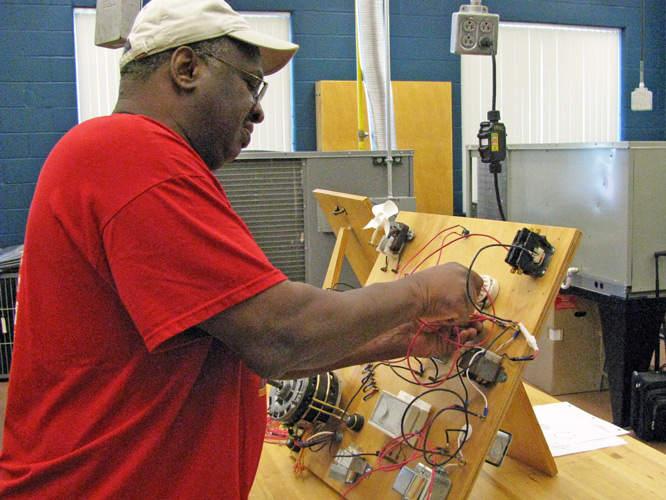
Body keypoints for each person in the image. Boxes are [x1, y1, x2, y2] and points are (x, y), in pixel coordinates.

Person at [0, 1, 483, 498]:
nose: (258, 108)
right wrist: (423, 292)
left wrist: (402, 339)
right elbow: (277, 334)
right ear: (186, 69)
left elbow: (250, 349)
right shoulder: (135, 154)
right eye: (249, 84)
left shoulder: (117, 155)